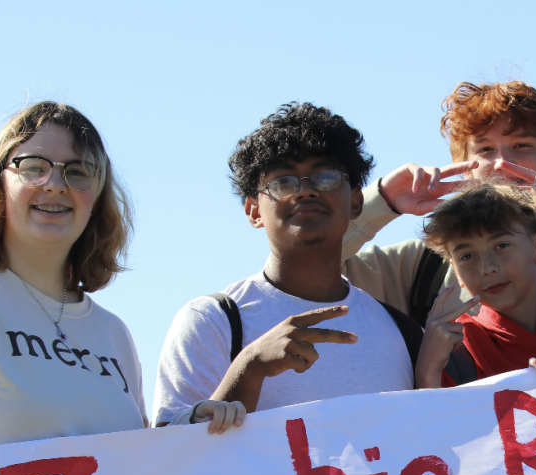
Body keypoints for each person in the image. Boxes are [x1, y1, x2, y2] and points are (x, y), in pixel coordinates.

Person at [0, 102, 241, 454]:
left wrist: (192, 427)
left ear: (96, 198)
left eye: (77, 172)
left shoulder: (113, 334)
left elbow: (132, 470)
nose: (54, 185)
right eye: (33, 167)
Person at [154, 103, 423, 425]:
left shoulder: (403, 332)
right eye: (283, 183)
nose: (305, 191)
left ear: (355, 201)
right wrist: (249, 368)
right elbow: (169, 457)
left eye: (325, 177)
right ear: (254, 211)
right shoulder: (212, 320)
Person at [339, 80, 536, 327]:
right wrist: (380, 203)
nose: (502, 163)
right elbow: (306, 272)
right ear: (464, 167)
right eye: (485, 149)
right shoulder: (419, 266)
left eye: (522, 145)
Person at [416, 182, 536, 390]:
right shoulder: (453, 350)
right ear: (456, 272)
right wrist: (427, 370)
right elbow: (433, 419)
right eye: (467, 256)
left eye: (501, 245)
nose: (487, 268)